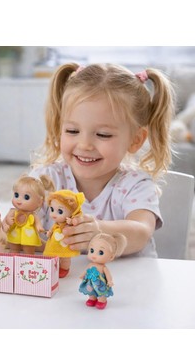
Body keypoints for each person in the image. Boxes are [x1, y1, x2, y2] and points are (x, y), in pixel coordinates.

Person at [30, 62, 175, 257]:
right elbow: (24, 227)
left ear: (135, 140)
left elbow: (141, 231)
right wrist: (6, 228)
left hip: (127, 276)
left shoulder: (135, 185)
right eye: (72, 131)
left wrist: (99, 229)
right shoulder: (45, 180)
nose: (84, 145)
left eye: (103, 134)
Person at [1, 174, 54, 255]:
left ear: (39, 202)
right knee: (13, 247)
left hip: (28, 236)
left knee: (28, 249)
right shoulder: (13, 211)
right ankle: (13, 255)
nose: (19, 200)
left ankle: (28, 257)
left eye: (26, 197)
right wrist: (7, 223)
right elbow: (5, 220)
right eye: (16, 195)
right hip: (15, 234)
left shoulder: (33, 215)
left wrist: (39, 227)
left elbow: (38, 223)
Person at [43, 188, 85, 277]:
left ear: (72, 212)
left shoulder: (69, 225)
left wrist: (71, 222)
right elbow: (52, 229)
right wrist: (49, 232)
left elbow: (74, 231)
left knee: (65, 258)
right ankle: (53, 268)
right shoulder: (56, 225)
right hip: (54, 245)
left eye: (60, 211)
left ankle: (64, 268)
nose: (54, 214)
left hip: (65, 245)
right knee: (53, 257)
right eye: (52, 209)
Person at [79, 232, 127, 309]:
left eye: (100, 252)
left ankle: (102, 300)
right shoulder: (90, 265)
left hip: (100, 283)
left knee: (102, 292)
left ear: (111, 257)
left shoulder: (103, 267)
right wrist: (82, 275)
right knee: (90, 291)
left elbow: (108, 275)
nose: (94, 255)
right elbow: (86, 270)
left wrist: (109, 281)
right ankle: (92, 298)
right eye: (92, 250)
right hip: (90, 282)